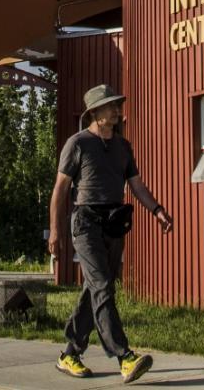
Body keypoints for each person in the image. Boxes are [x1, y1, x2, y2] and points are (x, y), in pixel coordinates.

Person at [48, 83, 173, 383]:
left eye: (117, 105)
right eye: (110, 106)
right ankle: (124, 356)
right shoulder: (77, 144)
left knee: (97, 288)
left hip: (114, 221)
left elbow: (137, 186)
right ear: (94, 112)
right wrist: (55, 231)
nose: (117, 111)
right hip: (86, 222)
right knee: (102, 285)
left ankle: (69, 353)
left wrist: (156, 210)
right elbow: (60, 190)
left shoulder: (123, 146)